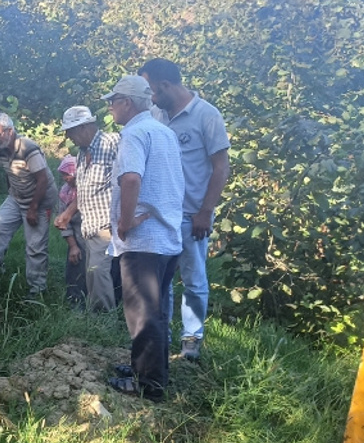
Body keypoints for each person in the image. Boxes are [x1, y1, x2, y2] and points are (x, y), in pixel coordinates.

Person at [138, 59, 232, 361]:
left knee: (193, 279)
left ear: (166, 86)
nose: (151, 98)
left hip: (193, 215)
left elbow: (221, 168)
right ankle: (162, 338)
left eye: (152, 90)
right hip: (161, 216)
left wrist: (206, 211)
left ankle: (191, 341)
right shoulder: (156, 115)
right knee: (161, 281)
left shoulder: (206, 116)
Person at [102, 75, 184, 402]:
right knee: (157, 311)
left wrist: (124, 222)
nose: (110, 105)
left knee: (142, 314)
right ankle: (147, 369)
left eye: (114, 99)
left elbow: (132, 179)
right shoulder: (164, 132)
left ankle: (148, 386)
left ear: (128, 103)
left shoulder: (134, 133)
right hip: (167, 236)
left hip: (143, 240)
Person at [0, 112, 60, 297]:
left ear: (9, 131)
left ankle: (37, 291)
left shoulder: (28, 148)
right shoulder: (2, 148)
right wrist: (13, 193)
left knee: (35, 246)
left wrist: (33, 209)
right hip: (16, 198)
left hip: (39, 201)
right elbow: (11, 174)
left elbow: (42, 181)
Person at [53, 105, 119, 312]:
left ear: (84, 127)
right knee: (92, 275)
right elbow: (84, 190)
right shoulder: (82, 153)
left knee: (98, 273)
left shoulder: (112, 143)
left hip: (107, 225)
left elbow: (131, 179)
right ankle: (98, 321)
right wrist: (68, 213)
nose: (69, 137)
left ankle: (104, 322)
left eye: (71, 132)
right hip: (89, 227)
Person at [55, 154, 87, 307]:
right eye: (63, 175)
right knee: (75, 267)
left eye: (67, 174)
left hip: (92, 232)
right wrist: (73, 245)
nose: (65, 178)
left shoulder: (89, 189)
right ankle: (75, 302)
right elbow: (62, 220)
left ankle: (95, 303)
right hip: (74, 234)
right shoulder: (64, 192)